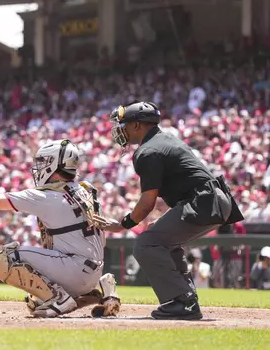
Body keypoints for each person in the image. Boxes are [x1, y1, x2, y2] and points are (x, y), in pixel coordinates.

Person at [96, 101, 244, 320]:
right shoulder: (163, 140)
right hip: (213, 200)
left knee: (145, 244)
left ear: (137, 125)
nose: (120, 130)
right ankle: (185, 299)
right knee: (162, 240)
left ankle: (182, 302)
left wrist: (124, 223)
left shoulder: (148, 150)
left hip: (204, 202)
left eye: (124, 124)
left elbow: (147, 203)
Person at [0, 139, 120, 318]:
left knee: (1, 257)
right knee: (35, 301)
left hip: (73, 269)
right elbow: (102, 240)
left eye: (43, 162)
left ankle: (60, 298)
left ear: (55, 164)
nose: (38, 167)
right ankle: (103, 290)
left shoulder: (48, 195)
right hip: (94, 271)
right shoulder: (87, 191)